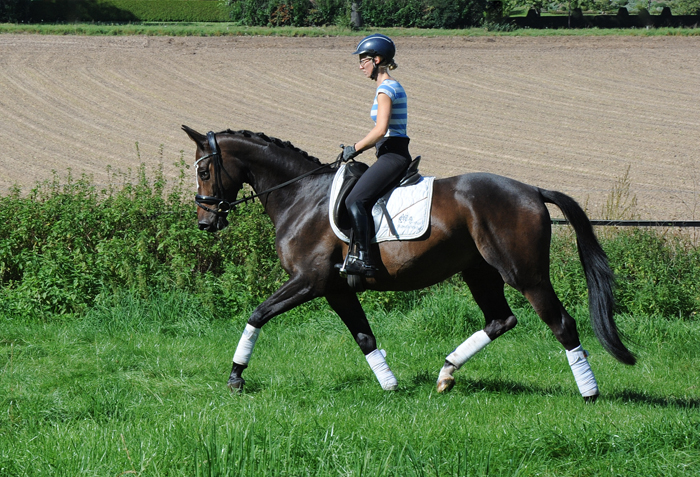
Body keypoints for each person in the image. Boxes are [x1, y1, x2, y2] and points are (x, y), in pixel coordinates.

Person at [341, 33, 412, 277]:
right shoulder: (388, 86)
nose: (360, 66)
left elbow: (381, 130)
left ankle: (365, 259)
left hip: (393, 154)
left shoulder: (386, 88)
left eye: (364, 60)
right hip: (390, 153)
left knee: (354, 200)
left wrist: (355, 148)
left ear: (378, 59)